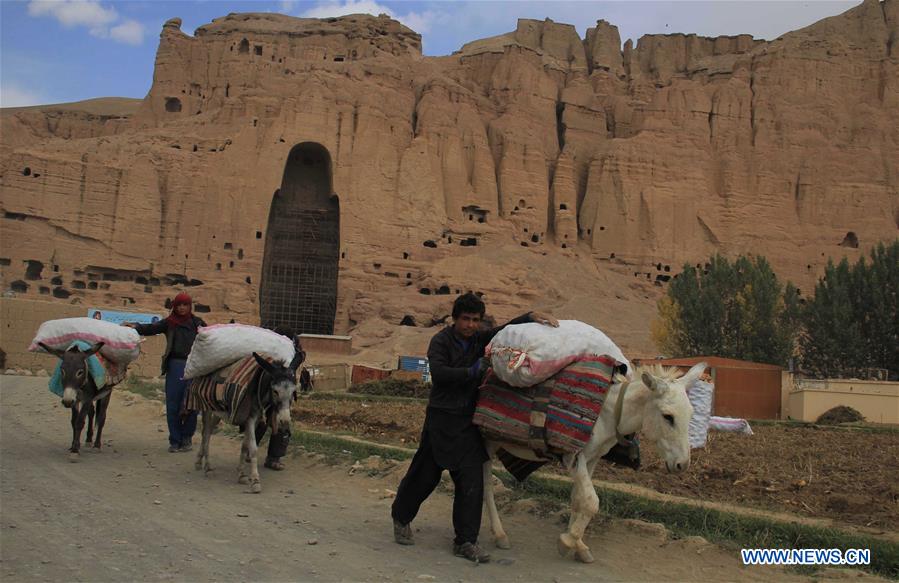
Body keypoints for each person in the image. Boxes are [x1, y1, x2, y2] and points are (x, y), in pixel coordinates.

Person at [391, 292, 558, 563]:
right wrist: (472, 372)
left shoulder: (480, 339)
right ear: (455, 318)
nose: (471, 325)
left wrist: (528, 317)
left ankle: (466, 541)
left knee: (472, 481)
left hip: (468, 421)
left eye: (476, 320)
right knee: (425, 476)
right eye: (466, 319)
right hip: (441, 420)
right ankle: (401, 517)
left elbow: (501, 331)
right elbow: (441, 373)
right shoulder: (440, 342)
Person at [128, 292, 205, 453]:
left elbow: (210, 337)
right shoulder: (170, 323)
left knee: (191, 404)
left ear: (190, 306)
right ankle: (175, 440)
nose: (182, 308)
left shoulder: (197, 323)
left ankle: (187, 438)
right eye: (179, 305)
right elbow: (151, 328)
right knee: (173, 404)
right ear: (175, 307)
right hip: (175, 365)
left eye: (185, 305)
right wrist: (135, 327)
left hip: (193, 366)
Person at [254, 326, 306, 471]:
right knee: (261, 421)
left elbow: (301, 355)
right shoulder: (268, 350)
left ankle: (273, 458)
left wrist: (291, 367)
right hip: (267, 393)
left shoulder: (295, 350)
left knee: (283, 424)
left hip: (285, 396)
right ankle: (250, 449)